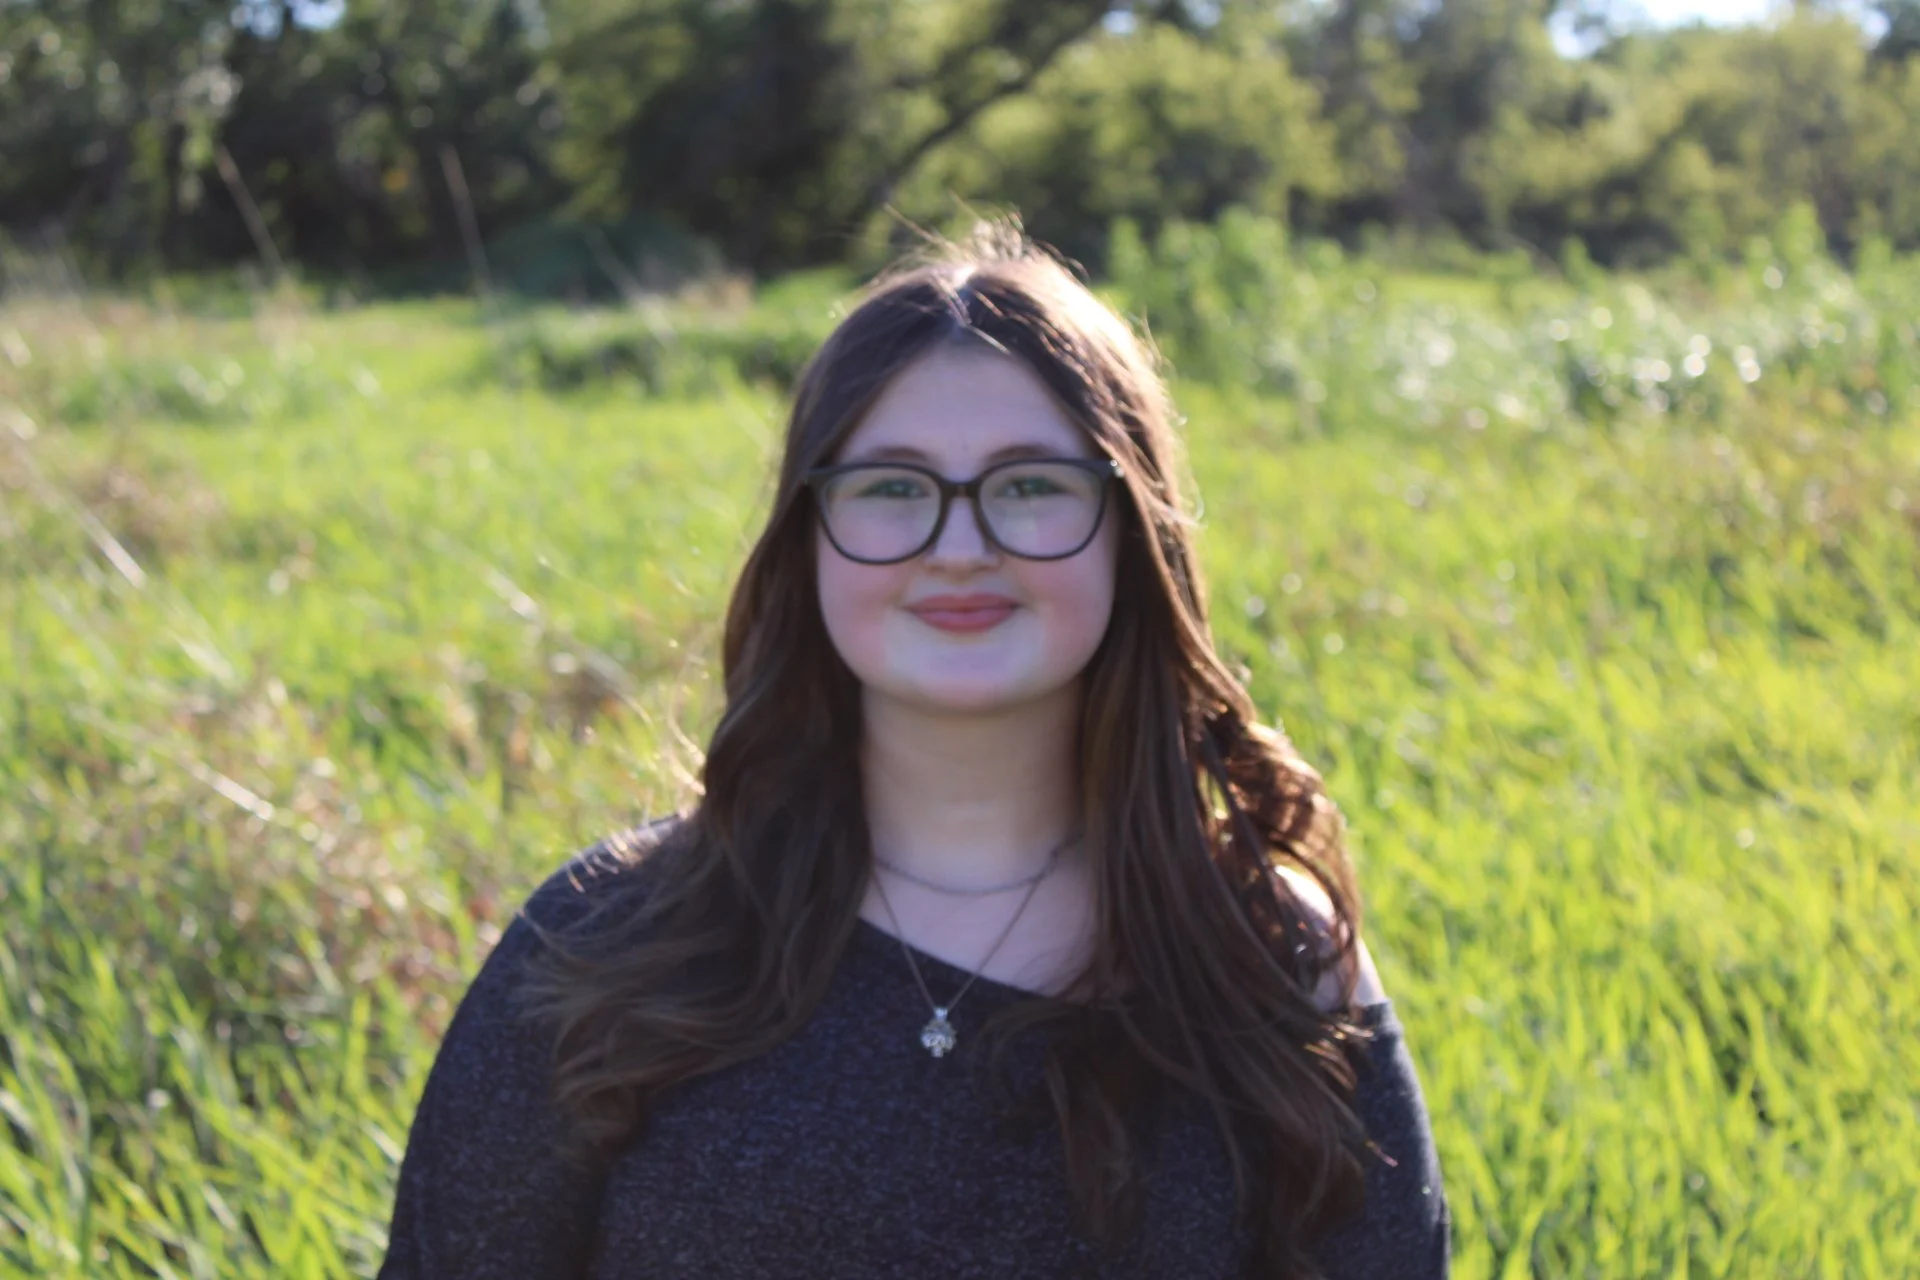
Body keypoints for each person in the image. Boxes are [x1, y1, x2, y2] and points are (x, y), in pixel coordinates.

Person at [375, 223, 1450, 1279]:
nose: (960, 548)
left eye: (1031, 484)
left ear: (1134, 533)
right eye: (893, 487)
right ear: (809, 537)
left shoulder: (1268, 955)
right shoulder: (602, 938)